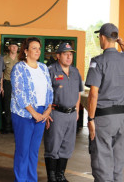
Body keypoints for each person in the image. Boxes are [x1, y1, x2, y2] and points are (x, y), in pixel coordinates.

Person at [11, 37, 53, 182]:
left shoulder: (43, 67)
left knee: (34, 151)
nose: (37, 51)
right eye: (34, 48)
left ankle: (31, 179)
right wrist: (34, 113)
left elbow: (49, 90)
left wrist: (48, 110)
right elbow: (19, 93)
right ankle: (21, 179)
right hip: (24, 114)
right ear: (26, 51)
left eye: (39, 48)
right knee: (23, 150)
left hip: (42, 113)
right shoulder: (19, 67)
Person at [85, 23, 124, 182]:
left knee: (102, 163)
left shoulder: (98, 61)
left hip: (104, 118)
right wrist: (121, 43)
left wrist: (90, 119)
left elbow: (93, 94)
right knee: (119, 162)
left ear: (102, 38)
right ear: (115, 39)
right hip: (122, 118)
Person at [44, 43, 83, 182]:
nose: (68, 56)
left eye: (70, 54)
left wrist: (77, 110)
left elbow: (78, 92)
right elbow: (44, 94)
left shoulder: (75, 71)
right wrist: (46, 113)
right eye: (65, 54)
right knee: (53, 145)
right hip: (56, 113)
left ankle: (60, 175)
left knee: (67, 146)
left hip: (72, 114)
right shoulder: (51, 70)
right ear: (58, 56)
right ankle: (52, 176)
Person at [2, 40, 18, 133]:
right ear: (9, 48)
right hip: (7, 83)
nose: (14, 48)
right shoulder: (4, 59)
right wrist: (1, 86)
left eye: (16, 46)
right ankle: (7, 126)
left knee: (16, 105)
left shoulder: (20, 58)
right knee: (7, 104)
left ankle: (14, 126)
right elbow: (2, 73)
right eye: (12, 46)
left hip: (18, 84)